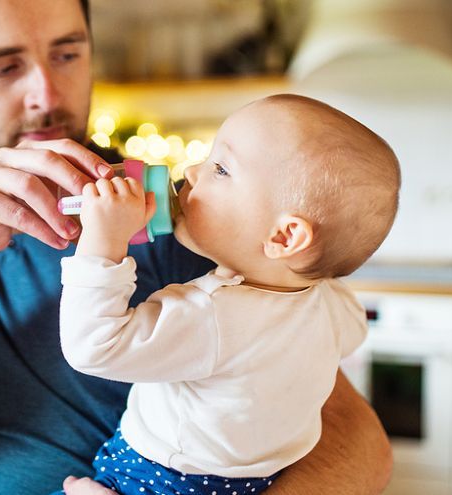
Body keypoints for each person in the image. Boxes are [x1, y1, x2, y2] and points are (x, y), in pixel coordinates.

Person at [0, 1, 393, 494]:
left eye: (67, 52)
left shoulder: (189, 215)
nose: (45, 92)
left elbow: (353, 441)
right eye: (4, 67)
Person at [57, 95, 400, 494]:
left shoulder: (212, 316)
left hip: (154, 481)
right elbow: (352, 333)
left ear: (284, 236)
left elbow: (92, 347)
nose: (191, 170)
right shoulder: (334, 306)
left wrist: (104, 240)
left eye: (220, 169)